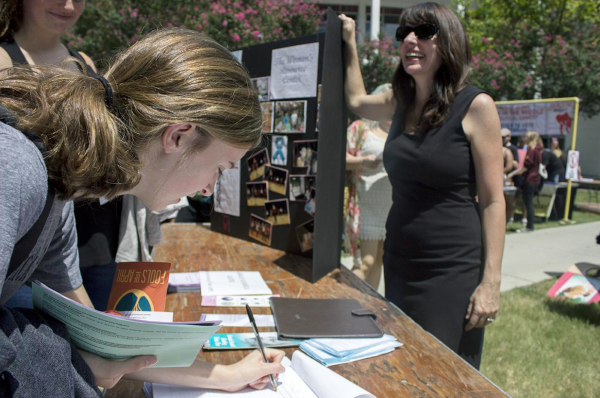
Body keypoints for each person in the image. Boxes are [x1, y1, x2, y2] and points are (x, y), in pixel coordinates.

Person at [0, 28, 284, 395]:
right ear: (178, 135)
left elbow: (99, 342)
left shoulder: (60, 189)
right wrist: (69, 362)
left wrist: (224, 377)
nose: (207, 190)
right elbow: (86, 356)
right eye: (220, 169)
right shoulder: (17, 166)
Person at [340, 2, 505, 369]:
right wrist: (349, 42)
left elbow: (494, 200)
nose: (410, 41)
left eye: (424, 32)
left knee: (444, 371)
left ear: (449, 41)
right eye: (403, 34)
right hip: (401, 260)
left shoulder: (476, 106)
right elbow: (355, 101)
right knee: (407, 364)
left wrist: (491, 282)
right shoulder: (399, 101)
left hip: (452, 268)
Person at [0, 0, 119, 311]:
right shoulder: (3, 60)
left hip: (96, 237)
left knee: (95, 341)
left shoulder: (85, 63)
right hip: (30, 252)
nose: (68, 6)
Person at [345, 83, 393, 291]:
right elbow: (338, 157)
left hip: (391, 205)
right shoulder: (361, 128)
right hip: (365, 204)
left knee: (379, 260)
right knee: (365, 262)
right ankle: (345, 306)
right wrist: (362, 161)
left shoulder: (402, 130)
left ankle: (368, 306)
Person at [508, 131, 543, 232]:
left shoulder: (532, 150)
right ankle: (529, 224)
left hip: (530, 179)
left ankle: (529, 226)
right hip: (536, 179)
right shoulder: (539, 149)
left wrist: (512, 174)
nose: (524, 139)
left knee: (528, 203)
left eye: (526, 137)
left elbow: (526, 167)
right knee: (529, 203)